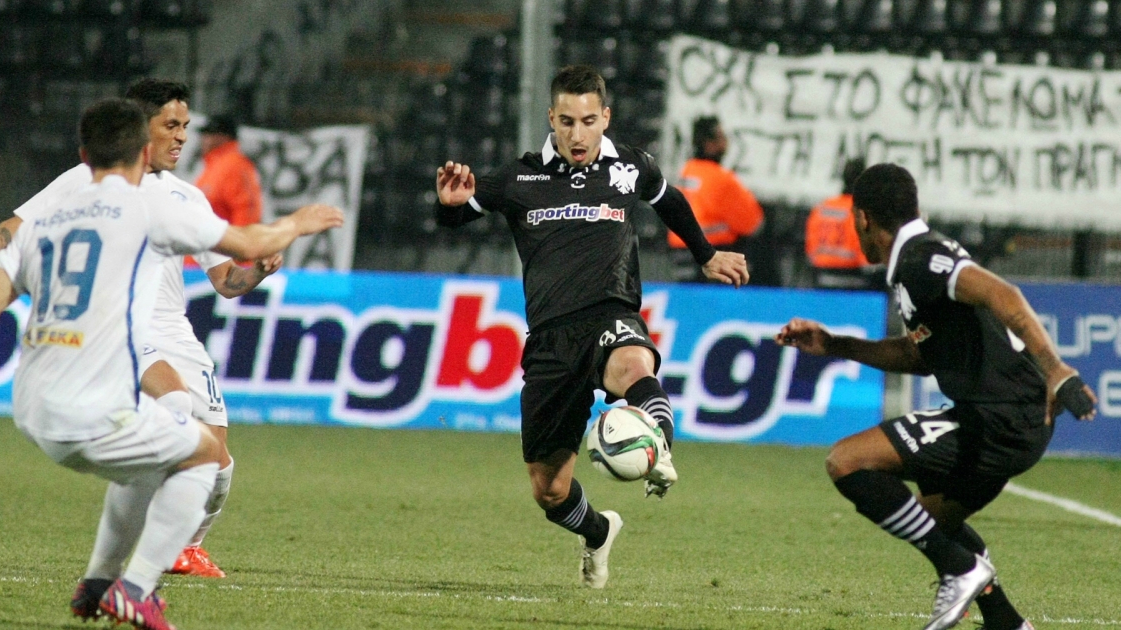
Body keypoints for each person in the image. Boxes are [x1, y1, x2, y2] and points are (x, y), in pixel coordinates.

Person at [0, 98, 342, 629]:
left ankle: (98, 583)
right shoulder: (150, 210)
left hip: (32, 410)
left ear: (85, 155)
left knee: (156, 454)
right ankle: (136, 588)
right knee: (203, 454)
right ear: (144, 152)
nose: (180, 137)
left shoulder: (43, 221)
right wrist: (297, 222)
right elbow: (249, 240)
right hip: (90, 409)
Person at [435, 65, 748, 589]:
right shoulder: (520, 177)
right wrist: (448, 206)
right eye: (566, 122)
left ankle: (658, 448)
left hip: (611, 313)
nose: (577, 134)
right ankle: (599, 531)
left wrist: (706, 254)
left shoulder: (630, 166)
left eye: (587, 121)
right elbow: (455, 214)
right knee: (550, 491)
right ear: (551, 119)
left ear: (605, 117)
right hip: (550, 339)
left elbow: (669, 200)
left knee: (633, 366)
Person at [775, 163, 1097, 630]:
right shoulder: (916, 261)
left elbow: (1003, 293)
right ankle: (1006, 621)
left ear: (862, 218)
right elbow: (917, 355)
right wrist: (835, 344)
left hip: (1002, 417)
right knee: (928, 520)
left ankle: (959, 570)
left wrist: (1055, 368)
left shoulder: (922, 258)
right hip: (1009, 419)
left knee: (847, 461)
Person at [669, 115, 763, 283]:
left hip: (680, 251)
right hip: (713, 254)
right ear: (710, 143)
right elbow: (753, 224)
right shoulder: (720, 178)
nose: (726, 143)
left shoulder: (687, 171)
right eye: (722, 137)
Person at [805, 157, 881, 290]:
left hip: (820, 279)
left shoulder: (822, 208)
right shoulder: (864, 213)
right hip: (853, 281)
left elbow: (809, 250)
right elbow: (869, 261)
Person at [195, 113, 263, 227]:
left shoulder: (235, 165)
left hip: (226, 237)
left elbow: (247, 209)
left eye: (208, 134)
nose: (203, 140)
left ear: (223, 137)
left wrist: (240, 237)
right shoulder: (213, 165)